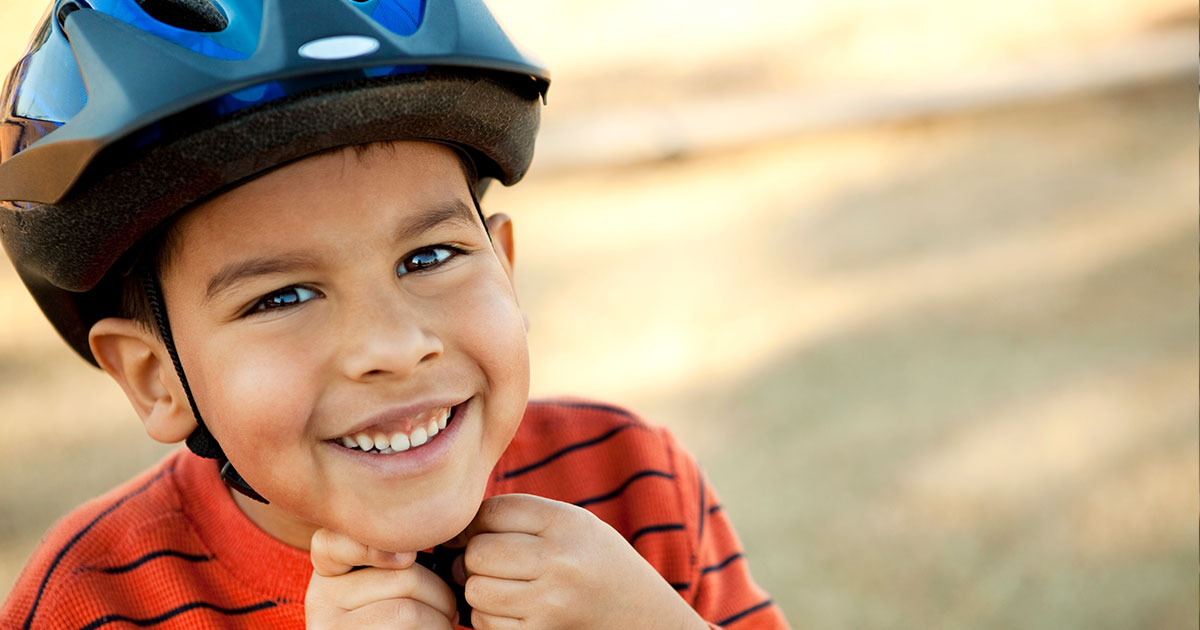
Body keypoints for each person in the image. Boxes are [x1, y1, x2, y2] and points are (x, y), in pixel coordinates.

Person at [0, 1, 789, 628]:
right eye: (282, 297)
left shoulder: (629, 480)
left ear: (505, 271)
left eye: (430, 257)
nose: (394, 346)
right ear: (155, 378)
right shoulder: (95, 601)